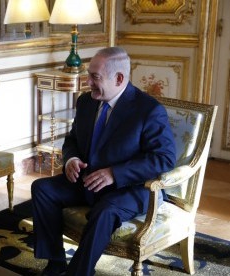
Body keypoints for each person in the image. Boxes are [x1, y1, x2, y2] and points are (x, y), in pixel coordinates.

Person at [31, 47, 176, 276]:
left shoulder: (148, 110)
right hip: (89, 179)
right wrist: (72, 159)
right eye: (89, 75)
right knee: (42, 188)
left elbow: (165, 158)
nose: (88, 82)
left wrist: (114, 174)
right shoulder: (86, 102)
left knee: (105, 210)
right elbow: (72, 140)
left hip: (130, 188)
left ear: (119, 78)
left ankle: (78, 273)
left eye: (94, 77)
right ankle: (55, 262)